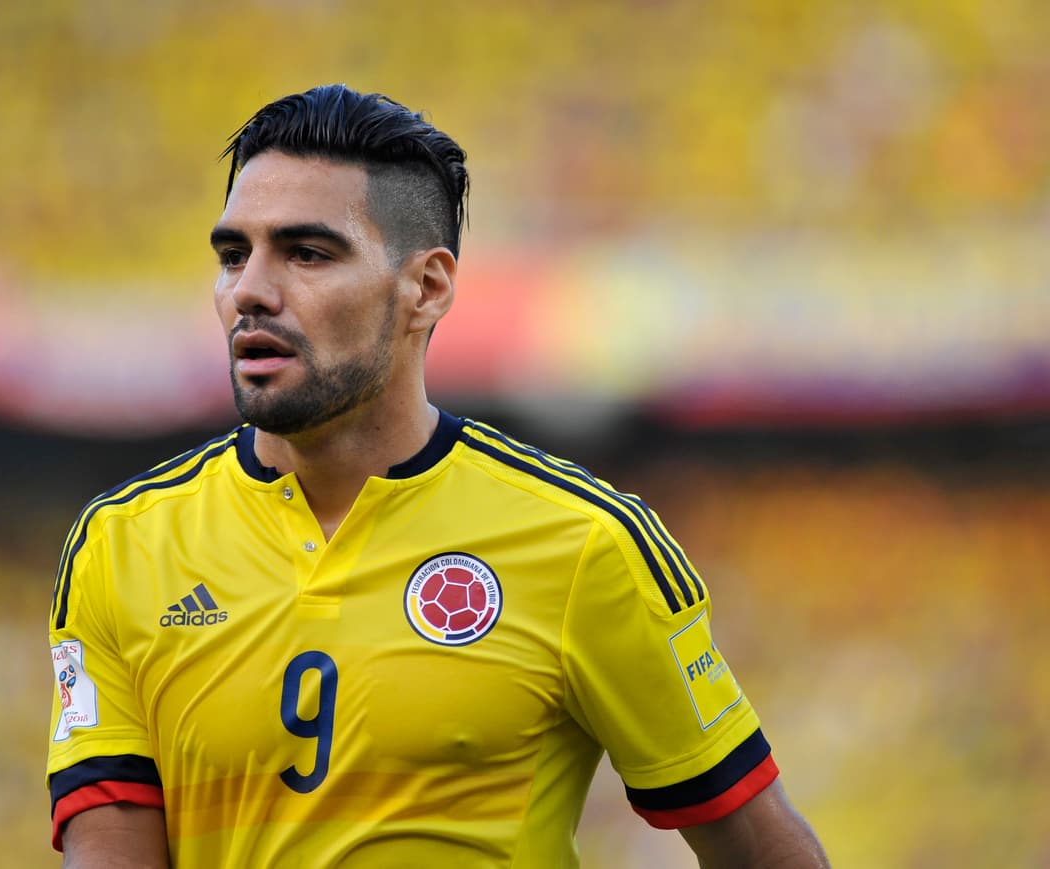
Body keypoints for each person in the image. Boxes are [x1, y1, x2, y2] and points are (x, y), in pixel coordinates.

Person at [45, 83, 830, 868]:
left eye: (308, 253)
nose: (250, 289)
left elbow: (764, 852)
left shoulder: (584, 543)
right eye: (232, 254)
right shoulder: (122, 546)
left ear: (426, 287)